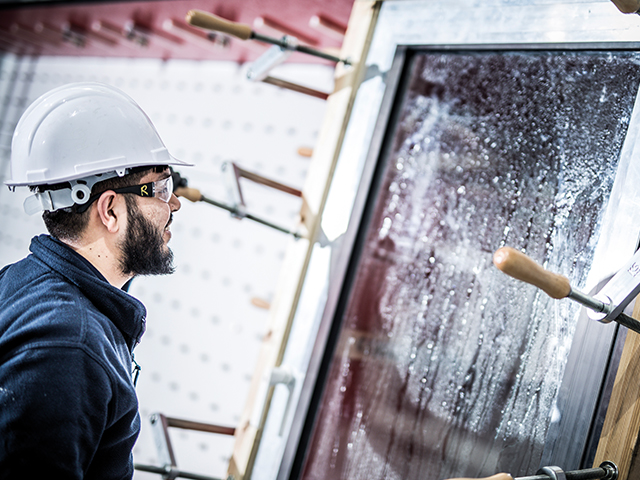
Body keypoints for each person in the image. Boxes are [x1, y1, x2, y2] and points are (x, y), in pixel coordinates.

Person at [0, 83, 191, 479]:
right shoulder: (70, 345)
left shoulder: (27, 283)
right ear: (109, 210)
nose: (174, 204)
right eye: (161, 189)